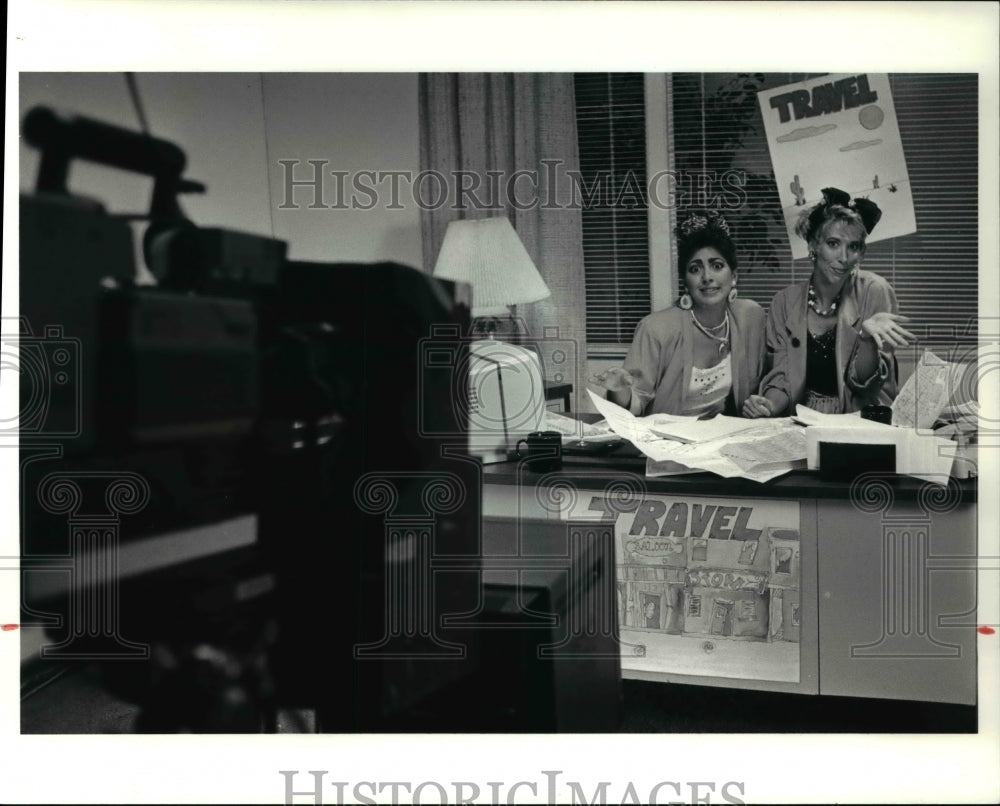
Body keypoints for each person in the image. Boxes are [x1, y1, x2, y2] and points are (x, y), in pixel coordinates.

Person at [743, 187, 915, 418]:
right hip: (800, 418)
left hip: (858, 418)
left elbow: (868, 387)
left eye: (853, 246)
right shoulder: (783, 302)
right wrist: (768, 405)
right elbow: (783, 378)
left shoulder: (875, 291)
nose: (844, 258)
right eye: (833, 243)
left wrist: (866, 340)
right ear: (814, 245)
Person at [594, 211, 766, 418]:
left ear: (734, 276)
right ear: (686, 281)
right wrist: (620, 390)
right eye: (695, 269)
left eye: (717, 266)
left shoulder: (750, 317)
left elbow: (769, 379)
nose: (707, 277)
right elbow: (635, 407)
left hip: (722, 437)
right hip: (665, 441)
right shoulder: (656, 328)